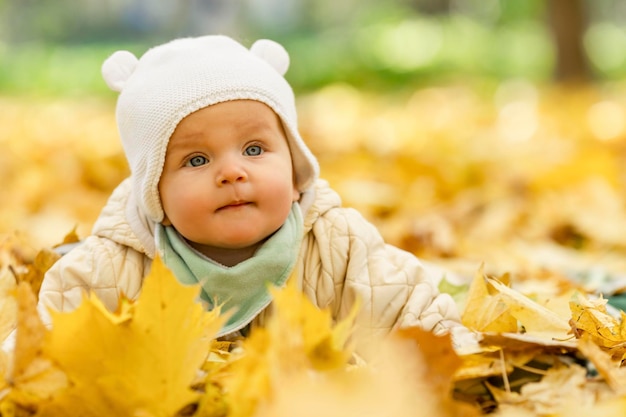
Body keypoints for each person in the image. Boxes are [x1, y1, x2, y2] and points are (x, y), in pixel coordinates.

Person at [32, 35, 475, 352]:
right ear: (154, 193)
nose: (232, 172)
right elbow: (42, 348)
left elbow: (416, 322)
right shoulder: (111, 268)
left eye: (254, 149)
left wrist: (451, 362)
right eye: (197, 160)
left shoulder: (339, 246)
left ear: (295, 163)